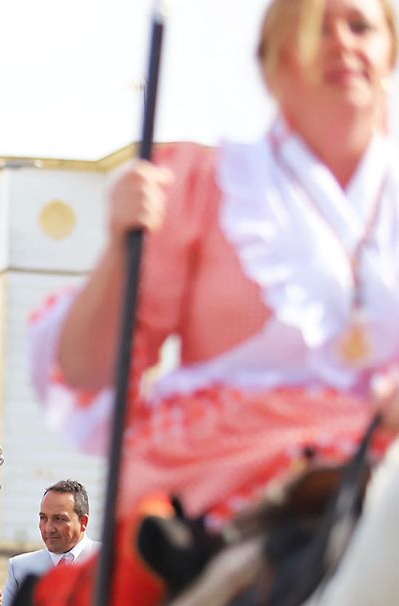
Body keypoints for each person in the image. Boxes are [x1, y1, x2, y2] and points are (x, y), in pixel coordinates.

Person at [34, 0, 399, 549]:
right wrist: (118, 247)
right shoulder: (208, 184)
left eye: (359, 26)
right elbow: (87, 371)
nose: (342, 44)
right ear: (275, 62)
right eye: (317, 29)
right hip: (229, 484)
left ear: (390, 50)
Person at [0, 481, 99, 606]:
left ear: (83, 522)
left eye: (59, 519)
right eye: (43, 518)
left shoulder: (108, 560)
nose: (48, 528)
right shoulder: (21, 567)